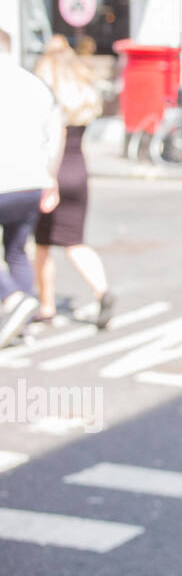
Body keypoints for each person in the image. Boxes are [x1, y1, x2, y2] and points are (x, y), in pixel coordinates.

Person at [31, 35, 114, 328]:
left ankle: (47, 305)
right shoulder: (82, 90)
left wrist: (48, 179)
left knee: (42, 244)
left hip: (53, 170)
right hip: (78, 168)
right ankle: (102, 291)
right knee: (75, 241)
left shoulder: (45, 94)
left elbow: (52, 141)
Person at [0, 28, 64, 348]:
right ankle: (21, 319)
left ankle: (11, 297)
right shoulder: (34, 84)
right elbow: (56, 132)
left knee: (14, 252)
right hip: (32, 181)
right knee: (16, 251)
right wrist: (50, 176)